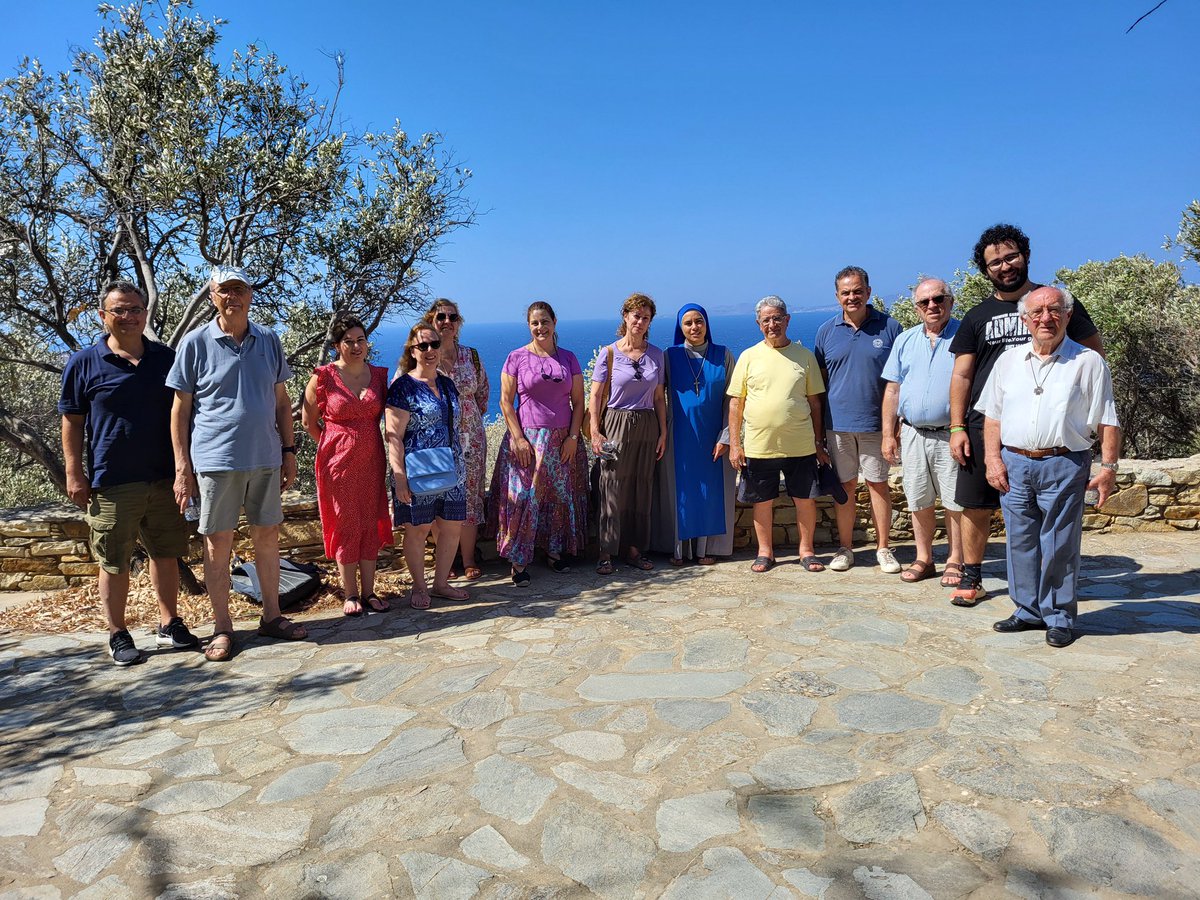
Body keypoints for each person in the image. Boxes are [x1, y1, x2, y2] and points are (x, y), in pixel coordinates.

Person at [948, 224, 1104, 606]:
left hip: (1048, 431)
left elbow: (1093, 357)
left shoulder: (1056, 303)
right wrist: (957, 426)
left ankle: (1048, 592)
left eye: (1011, 257)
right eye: (995, 262)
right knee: (976, 504)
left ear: (1025, 256)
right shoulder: (978, 315)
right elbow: (962, 374)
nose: (1005, 266)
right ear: (985, 270)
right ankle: (972, 576)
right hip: (986, 423)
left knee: (1046, 516)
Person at [168, 265, 307, 662]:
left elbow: (282, 402)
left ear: (250, 295)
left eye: (239, 289)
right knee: (218, 544)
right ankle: (222, 627)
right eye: (224, 290)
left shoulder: (269, 340)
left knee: (268, 538)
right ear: (213, 296)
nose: (233, 297)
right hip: (216, 461)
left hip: (265, 457)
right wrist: (182, 468)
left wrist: (288, 451)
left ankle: (272, 616)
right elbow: (180, 410)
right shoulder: (195, 343)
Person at [59, 281, 199, 666]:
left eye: (135, 309)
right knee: (114, 560)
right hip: (112, 480)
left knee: (166, 553)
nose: (128, 316)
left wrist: (187, 469)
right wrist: (74, 472)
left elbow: (185, 413)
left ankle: (169, 622)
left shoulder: (166, 358)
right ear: (103, 316)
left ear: (145, 313)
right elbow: (72, 421)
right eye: (119, 310)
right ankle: (117, 632)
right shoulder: (83, 362)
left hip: (165, 477)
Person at [977, 287, 1121, 648]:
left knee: (1059, 544)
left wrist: (1108, 468)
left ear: (1068, 316)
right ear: (1024, 319)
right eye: (1037, 312)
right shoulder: (1008, 361)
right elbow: (993, 416)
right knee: (1020, 540)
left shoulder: (1088, 361)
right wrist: (993, 459)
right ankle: (1027, 610)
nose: (1046, 318)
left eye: (1054, 310)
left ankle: (1058, 616)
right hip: (1014, 462)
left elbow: (1107, 418)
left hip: (1064, 462)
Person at [728, 296, 832, 573]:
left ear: (787, 320)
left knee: (805, 500)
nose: (772, 324)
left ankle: (807, 551)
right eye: (766, 320)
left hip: (801, 445)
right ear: (758, 324)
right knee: (762, 502)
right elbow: (736, 403)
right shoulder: (748, 357)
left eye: (777, 318)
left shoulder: (804, 356)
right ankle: (765, 553)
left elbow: (815, 403)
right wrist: (735, 444)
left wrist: (819, 442)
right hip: (759, 446)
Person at [489, 301, 589, 586]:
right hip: (528, 440)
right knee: (524, 498)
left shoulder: (568, 358)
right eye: (534, 323)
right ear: (528, 326)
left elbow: (578, 401)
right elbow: (505, 402)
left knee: (559, 497)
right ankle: (518, 559)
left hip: (562, 440)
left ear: (554, 322)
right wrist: (518, 439)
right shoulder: (516, 357)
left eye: (545, 321)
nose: (540, 327)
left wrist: (572, 438)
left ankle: (554, 552)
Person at [301, 312, 393, 617]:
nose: (356, 346)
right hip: (337, 464)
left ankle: (369, 592)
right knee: (346, 523)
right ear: (337, 346)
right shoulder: (323, 377)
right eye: (348, 341)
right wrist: (334, 444)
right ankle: (350, 593)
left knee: (369, 521)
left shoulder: (378, 375)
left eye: (360, 340)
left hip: (372, 461)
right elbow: (308, 422)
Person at [813, 266, 903, 574]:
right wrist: (818, 436)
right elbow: (819, 384)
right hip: (837, 426)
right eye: (846, 292)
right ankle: (845, 549)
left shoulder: (890, 327)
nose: (852, 297)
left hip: (876, 425)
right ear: (837, 296)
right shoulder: (826, 331)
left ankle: (884, 549)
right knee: (845, 487)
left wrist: (894, 427)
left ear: (868, 291)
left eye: (857, 291)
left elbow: (899, 381)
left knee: (878, 485)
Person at [881, 278, 964, 586]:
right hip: (913, 433)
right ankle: (924, 558)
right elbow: (893, 389)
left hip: (951, 433)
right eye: (924, 302)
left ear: (950, 302)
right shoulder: (905, 340)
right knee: (918, 498)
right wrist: (888, 434)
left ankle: (955, 559)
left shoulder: (965, 336)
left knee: (955, 501)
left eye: (938, 299)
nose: (932, 305)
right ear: (916, 308)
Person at [385, 323, 470, 609]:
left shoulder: (446, 384)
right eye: (423, 346)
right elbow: (393, 436)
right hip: (417, 471)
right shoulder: (402, 388)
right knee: (418, 529)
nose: (430, 350)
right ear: (412, 351)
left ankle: (441, 584)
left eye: (434, 344)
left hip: (451, 468)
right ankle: (419, 588)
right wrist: (399, 478)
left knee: (452, 527)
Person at [650, 303, 736, 565]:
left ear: (707, 324)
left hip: (713, 436)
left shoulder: (723, 355)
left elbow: (732, 400)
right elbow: (656, 395)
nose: (694, 327)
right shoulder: (670, 356)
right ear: (681, 328)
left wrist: (726, 437)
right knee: (682, 494)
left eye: (699, 321)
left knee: (710, 493)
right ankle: (678, 550)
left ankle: (704, 551)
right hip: (679, 435)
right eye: (688, 323)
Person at [589, 293, 667, 575]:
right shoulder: (609, 353)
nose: (640, 322)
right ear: (625, 316)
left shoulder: (656, 355)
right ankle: (606, 552)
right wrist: (595, 431)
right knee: (611, 486)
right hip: (616, 422)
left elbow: (658, 397)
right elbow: (595, 395)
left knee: (640, 487)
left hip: (647, 424)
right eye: (636, 316)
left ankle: (634, 550)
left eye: (646, 317)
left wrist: (663, 432)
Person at [423, 299, 489, 581]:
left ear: (459, 323)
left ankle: (469, 558)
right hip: (435, 441)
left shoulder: (471, 356)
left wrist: (466, 420)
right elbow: (403, 391)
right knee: (439, 498)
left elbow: (482, 394)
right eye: (441, 317)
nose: (447, 322)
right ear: (431, 321)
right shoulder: (423, 356)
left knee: (471, 498)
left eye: (452, 317)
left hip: (471, 441)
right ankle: (446, 560)